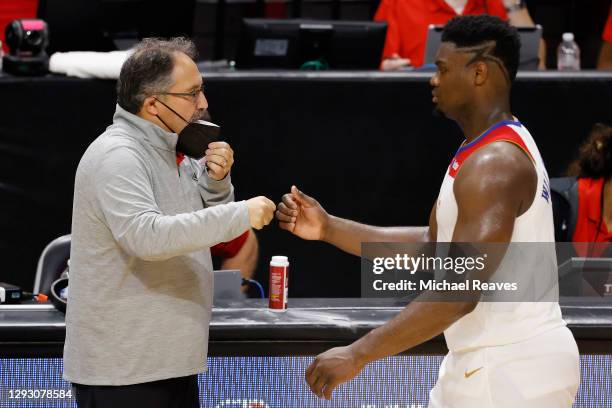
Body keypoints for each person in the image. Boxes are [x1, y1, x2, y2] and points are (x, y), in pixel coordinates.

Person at [276, 15, 579, 406]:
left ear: (480, 73)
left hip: (509, 368)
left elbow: (458, 290)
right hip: (490, 362)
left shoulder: (494, 164)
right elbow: (434, 245)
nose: (432, 79)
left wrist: (357, 354)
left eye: (441, 68)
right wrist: (329, 228)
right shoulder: (485, 148)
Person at [63, 37, 276, 408]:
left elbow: (197, 228)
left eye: (202, 90)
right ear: (152, 104)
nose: (203, 103)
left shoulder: (173, 149)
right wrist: (239, 212)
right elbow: (148, 238)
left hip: (169, 362)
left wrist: (216, 183)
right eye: (192, 93)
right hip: (125, 373)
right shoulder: (118, 156)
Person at [374, 0, 537, 70]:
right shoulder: (398, 3)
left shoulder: (495, 3)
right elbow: (377, 67)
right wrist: (386, 69)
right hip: (420, 106)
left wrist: (512, 5)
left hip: (486, 113)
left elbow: (536, 61)